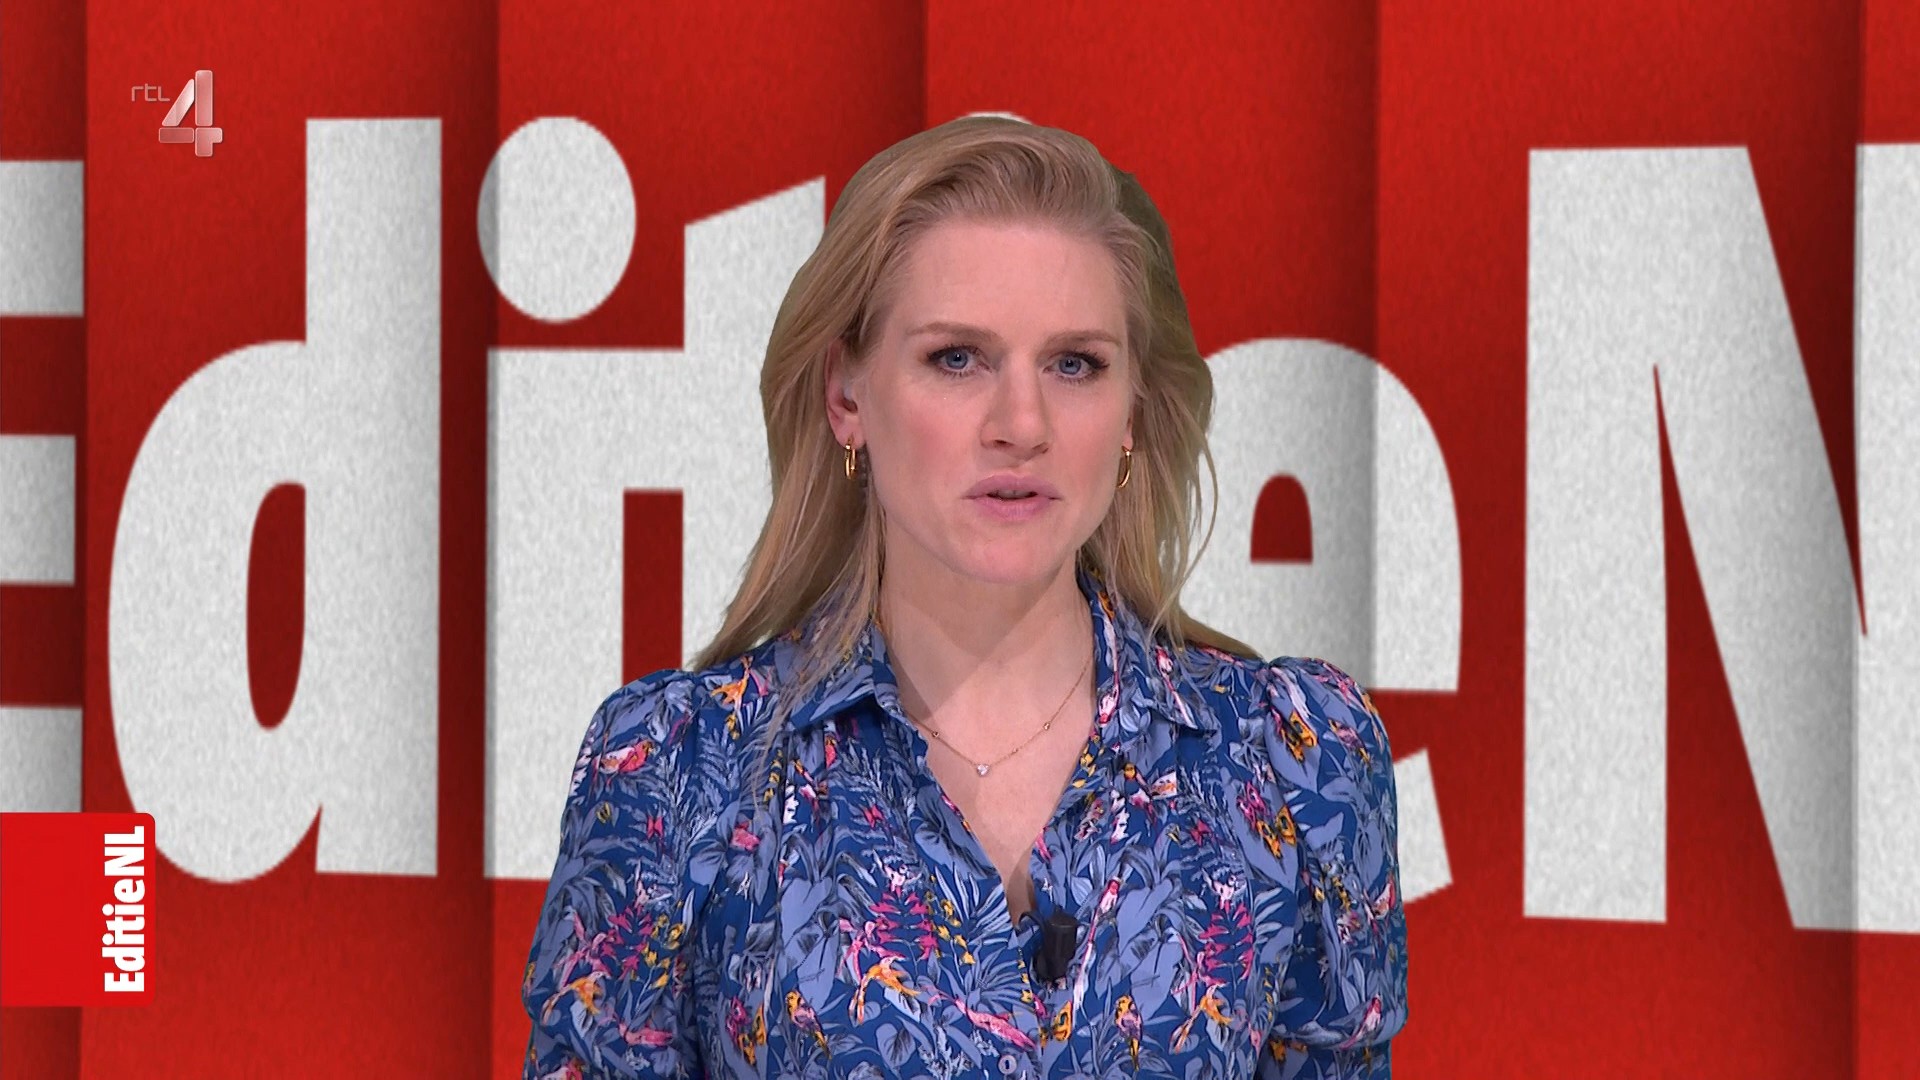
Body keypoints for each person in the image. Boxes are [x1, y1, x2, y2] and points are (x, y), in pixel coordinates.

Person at [520, 115, 1408, 1079]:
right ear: (847, 396)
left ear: (1132, 412)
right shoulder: (676, 771)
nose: (1021, 423)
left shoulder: (1295, 762)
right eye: (957, 359)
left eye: (1075, 364)